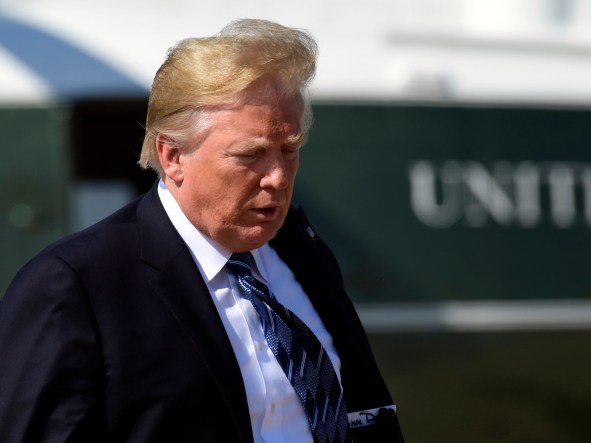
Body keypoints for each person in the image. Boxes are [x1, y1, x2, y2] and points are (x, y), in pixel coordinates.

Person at [0, 19, 403, 443]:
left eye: (290, 151)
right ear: (173, 156)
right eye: (251, 155)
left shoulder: (303, 250)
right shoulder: (75, 285)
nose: (278, 177)